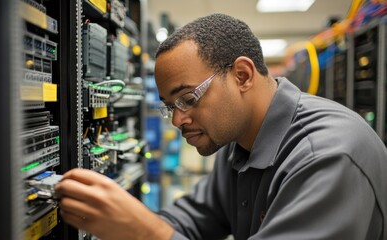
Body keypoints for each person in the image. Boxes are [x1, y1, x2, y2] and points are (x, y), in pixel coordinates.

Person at [55, 13, 387, 240]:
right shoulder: (239, 145)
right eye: (170, 106)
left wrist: (146, 232)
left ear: (242, 75)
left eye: (187, 98)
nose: (177, 119)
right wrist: (120, 219)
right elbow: (193, 220)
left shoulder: (328, 156)